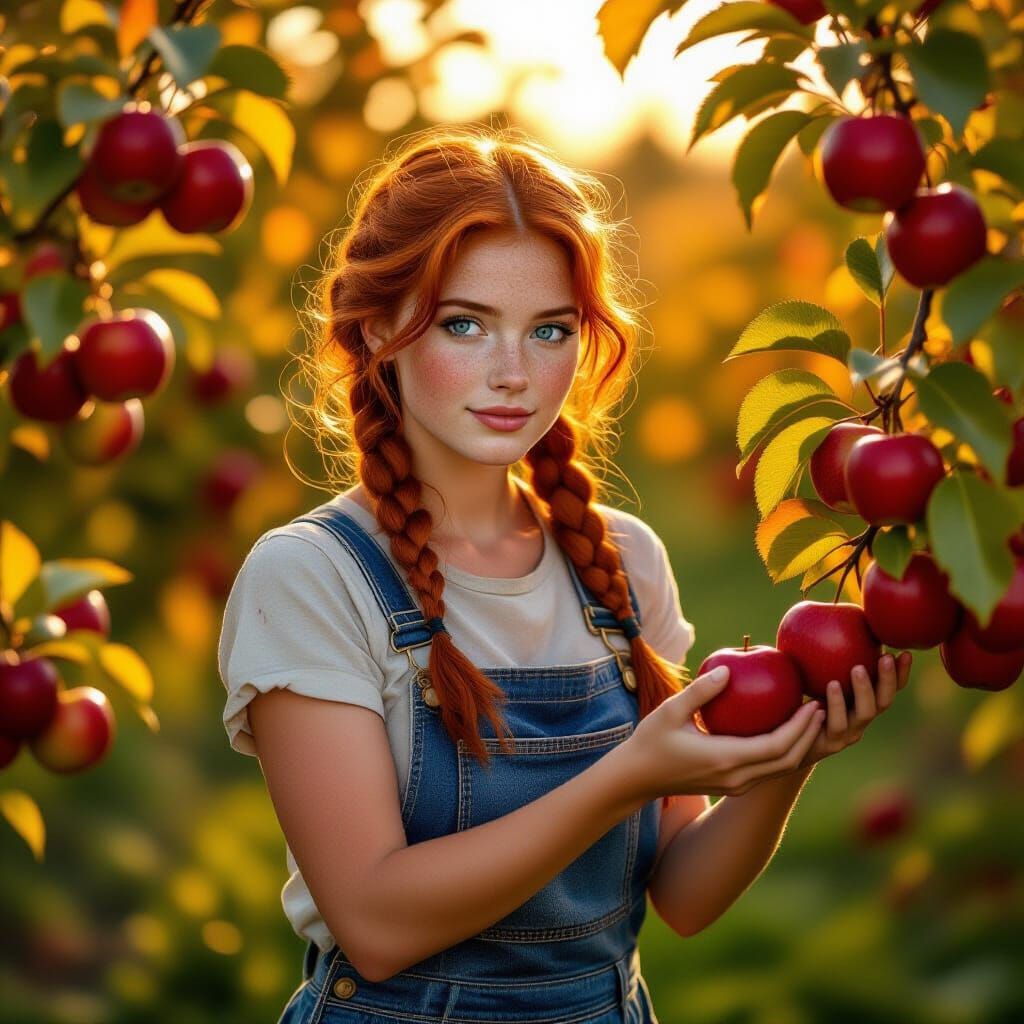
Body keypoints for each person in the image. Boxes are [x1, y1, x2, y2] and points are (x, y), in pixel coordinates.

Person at [217, 124, 913, 1024]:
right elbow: (377, 921)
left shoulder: (622, 562)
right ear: (379, 327)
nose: (513, 374)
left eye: (549, 330)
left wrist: (792, 757)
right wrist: (624, 777)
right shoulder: (313, 577)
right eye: (465, 324)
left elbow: (685, 897)